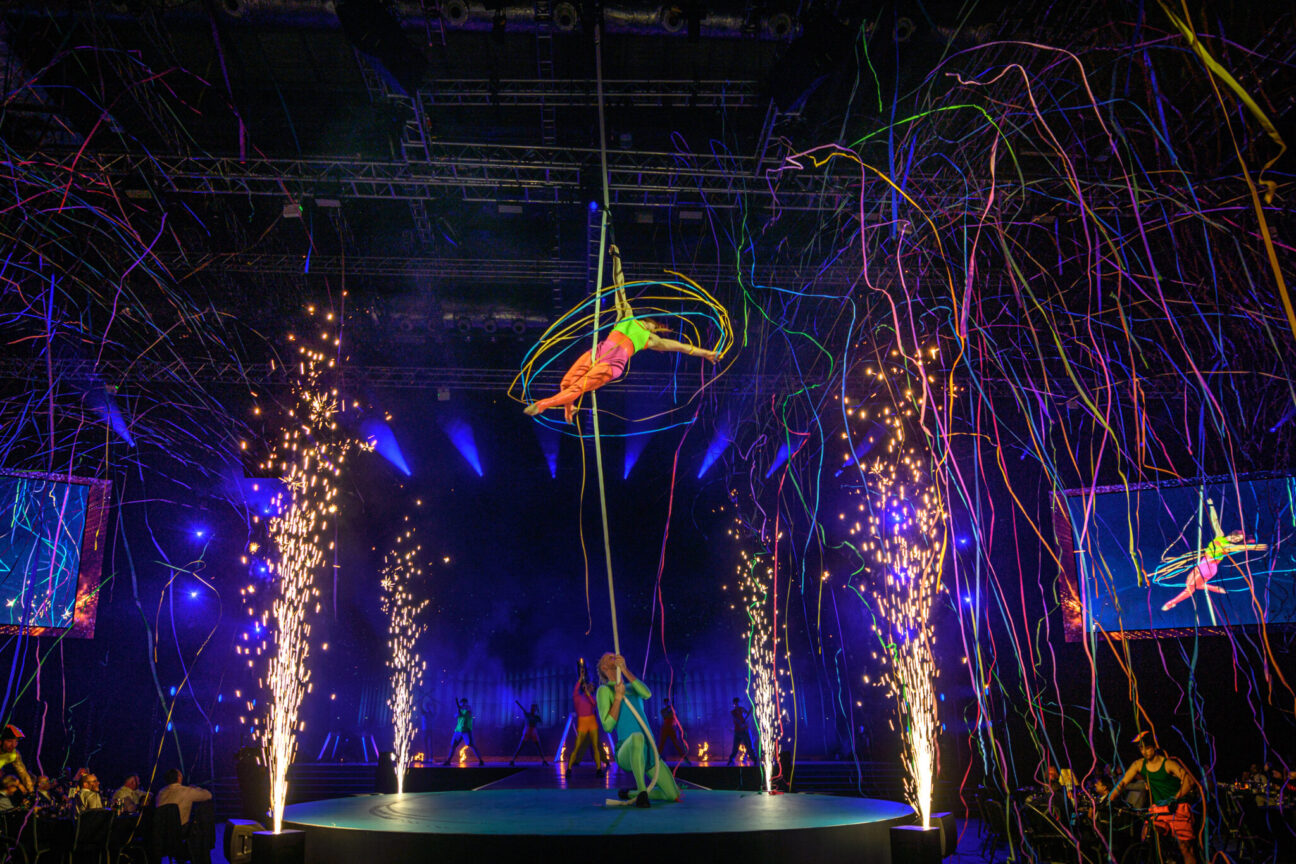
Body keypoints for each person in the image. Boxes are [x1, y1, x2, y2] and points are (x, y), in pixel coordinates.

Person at [524, 246, 719, 422]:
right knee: (566, 382)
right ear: (650, 320)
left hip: (613, 363)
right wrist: (616, 257)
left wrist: (707, 353)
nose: (656, 327)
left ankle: (542, 405)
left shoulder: (652, 339)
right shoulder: (626, 314)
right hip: (599, 351)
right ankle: (569, 408)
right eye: (656, 324)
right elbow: (619, 284)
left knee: (578, 387)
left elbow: (682, 347)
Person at [596, 652, 680, 807]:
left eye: (615, 655)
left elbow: (647, 694)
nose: (614, 657)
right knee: (637, 737)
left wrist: (625, 670)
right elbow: (607, 726)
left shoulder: (632, 687)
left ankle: (631, 793)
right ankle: (642, 791)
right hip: (626, 750)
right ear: (604, 666)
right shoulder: (604, 691)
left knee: (672, 794)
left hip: (649, 751)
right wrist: (618, 698)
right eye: (609, 657)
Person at [1105, 732, 1201, 864]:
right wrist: (1109, 799)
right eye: (1141, 748)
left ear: (1155, 746)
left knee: (1185, 849)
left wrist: (1175, 798)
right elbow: (1122, 782)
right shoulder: (1139, 764)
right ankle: (1166, 857)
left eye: (1147, 747)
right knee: (1148, 836)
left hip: (1177, 808)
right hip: (1159, 810)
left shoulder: (1167, 764)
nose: (1144, 751)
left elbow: (1188, 781)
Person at [1160, 499, 1267, 612]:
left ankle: (1171, 603)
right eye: (1237, 536)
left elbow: (1240, 547)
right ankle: (1211, 587)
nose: (1236, 539)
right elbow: (1214, 521)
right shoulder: (1220, 536)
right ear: (1233, 533)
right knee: (1189, 583)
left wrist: (1253, 547)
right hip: (1202, 563)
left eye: (1238, 540)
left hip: (1209, 567)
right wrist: (1211, 505)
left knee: (1190, 587)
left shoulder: (1229, 546)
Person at [567, 673, 605, 776]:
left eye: (593, 687)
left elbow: (594, 703)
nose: (591, 687)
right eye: (590, 685)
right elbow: (575, 690)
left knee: (595, 747)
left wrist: (587, 692)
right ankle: (569, 769)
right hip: (582, 723)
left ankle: (599, 769)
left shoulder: (592, 697)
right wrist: (580, 680)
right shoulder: (577, 697)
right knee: (577, 747)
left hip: (592, 722)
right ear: (586, 686)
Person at [441, 698, 485, 766]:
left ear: (466, 703)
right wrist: (458, 709)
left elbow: (467, 710)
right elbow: (456, 715)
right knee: (453, 745)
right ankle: (448, 761)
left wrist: (460, 707)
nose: (463, 704)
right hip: (458, 731)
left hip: (466, 731)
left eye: (464, 703)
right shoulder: (460, 710)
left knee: (472, 746)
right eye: (462, 703)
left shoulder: (468, 709)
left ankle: (481, 761)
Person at [509, 701, 548, 766]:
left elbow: (540, 721)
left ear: (535, 710)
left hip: (533, 731)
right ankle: (513, 760)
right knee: (521, 746)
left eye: (534, 708)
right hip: (527, 730)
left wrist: (538, 712)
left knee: (538, 747)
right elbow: (524, 711)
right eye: (532, 708)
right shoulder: (528, 714)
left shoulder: (536, 716)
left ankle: (543, 760)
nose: (532, 709)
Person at [0, 725, 33, 795]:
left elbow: (23, 773)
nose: (13, 745)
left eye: (16, 741)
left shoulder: (14, 754)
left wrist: (31, 791)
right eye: (9, 741)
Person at [658, 699, 691, 764]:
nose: (667, 703)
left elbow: (672, 715)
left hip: (672, 729)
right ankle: (656, 759)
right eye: (666, 703)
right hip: (665, 729)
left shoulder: (673, 710)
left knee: (677, 745)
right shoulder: (663, 710)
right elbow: (665, 715)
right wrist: (668, 709)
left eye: (668, 702)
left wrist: (670, 709)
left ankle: (685, 759)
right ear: (665, 703)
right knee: (661, 745)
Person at [727, 698, 757, 766]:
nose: (736, 704)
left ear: (739, 703)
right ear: (733, 704)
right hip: (737, 732)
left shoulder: (742, 709)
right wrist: (740, 722)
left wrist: (753, 707)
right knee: (735, 748)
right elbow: (735, 719)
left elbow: (748, 715)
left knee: (749, 747)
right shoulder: (733, 712)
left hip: (745, 731)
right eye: (735, 703)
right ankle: (731, 760)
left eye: (737, 703)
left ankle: (755, 760)